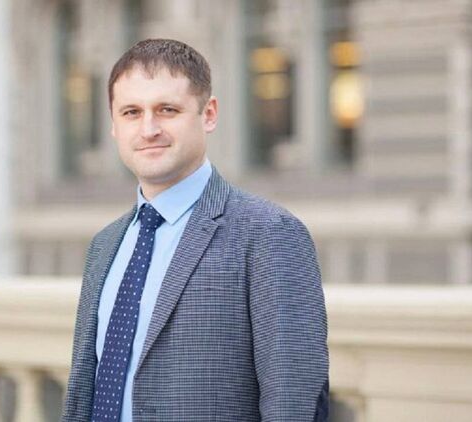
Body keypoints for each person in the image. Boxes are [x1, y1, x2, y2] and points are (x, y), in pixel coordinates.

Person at [61, 38, 328, 422]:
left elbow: (293, 402)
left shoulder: (269, 234)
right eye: (132, 112)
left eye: (167, 110)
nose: (149, 129)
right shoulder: (105, 245)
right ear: (114, 125)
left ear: (209, 114)